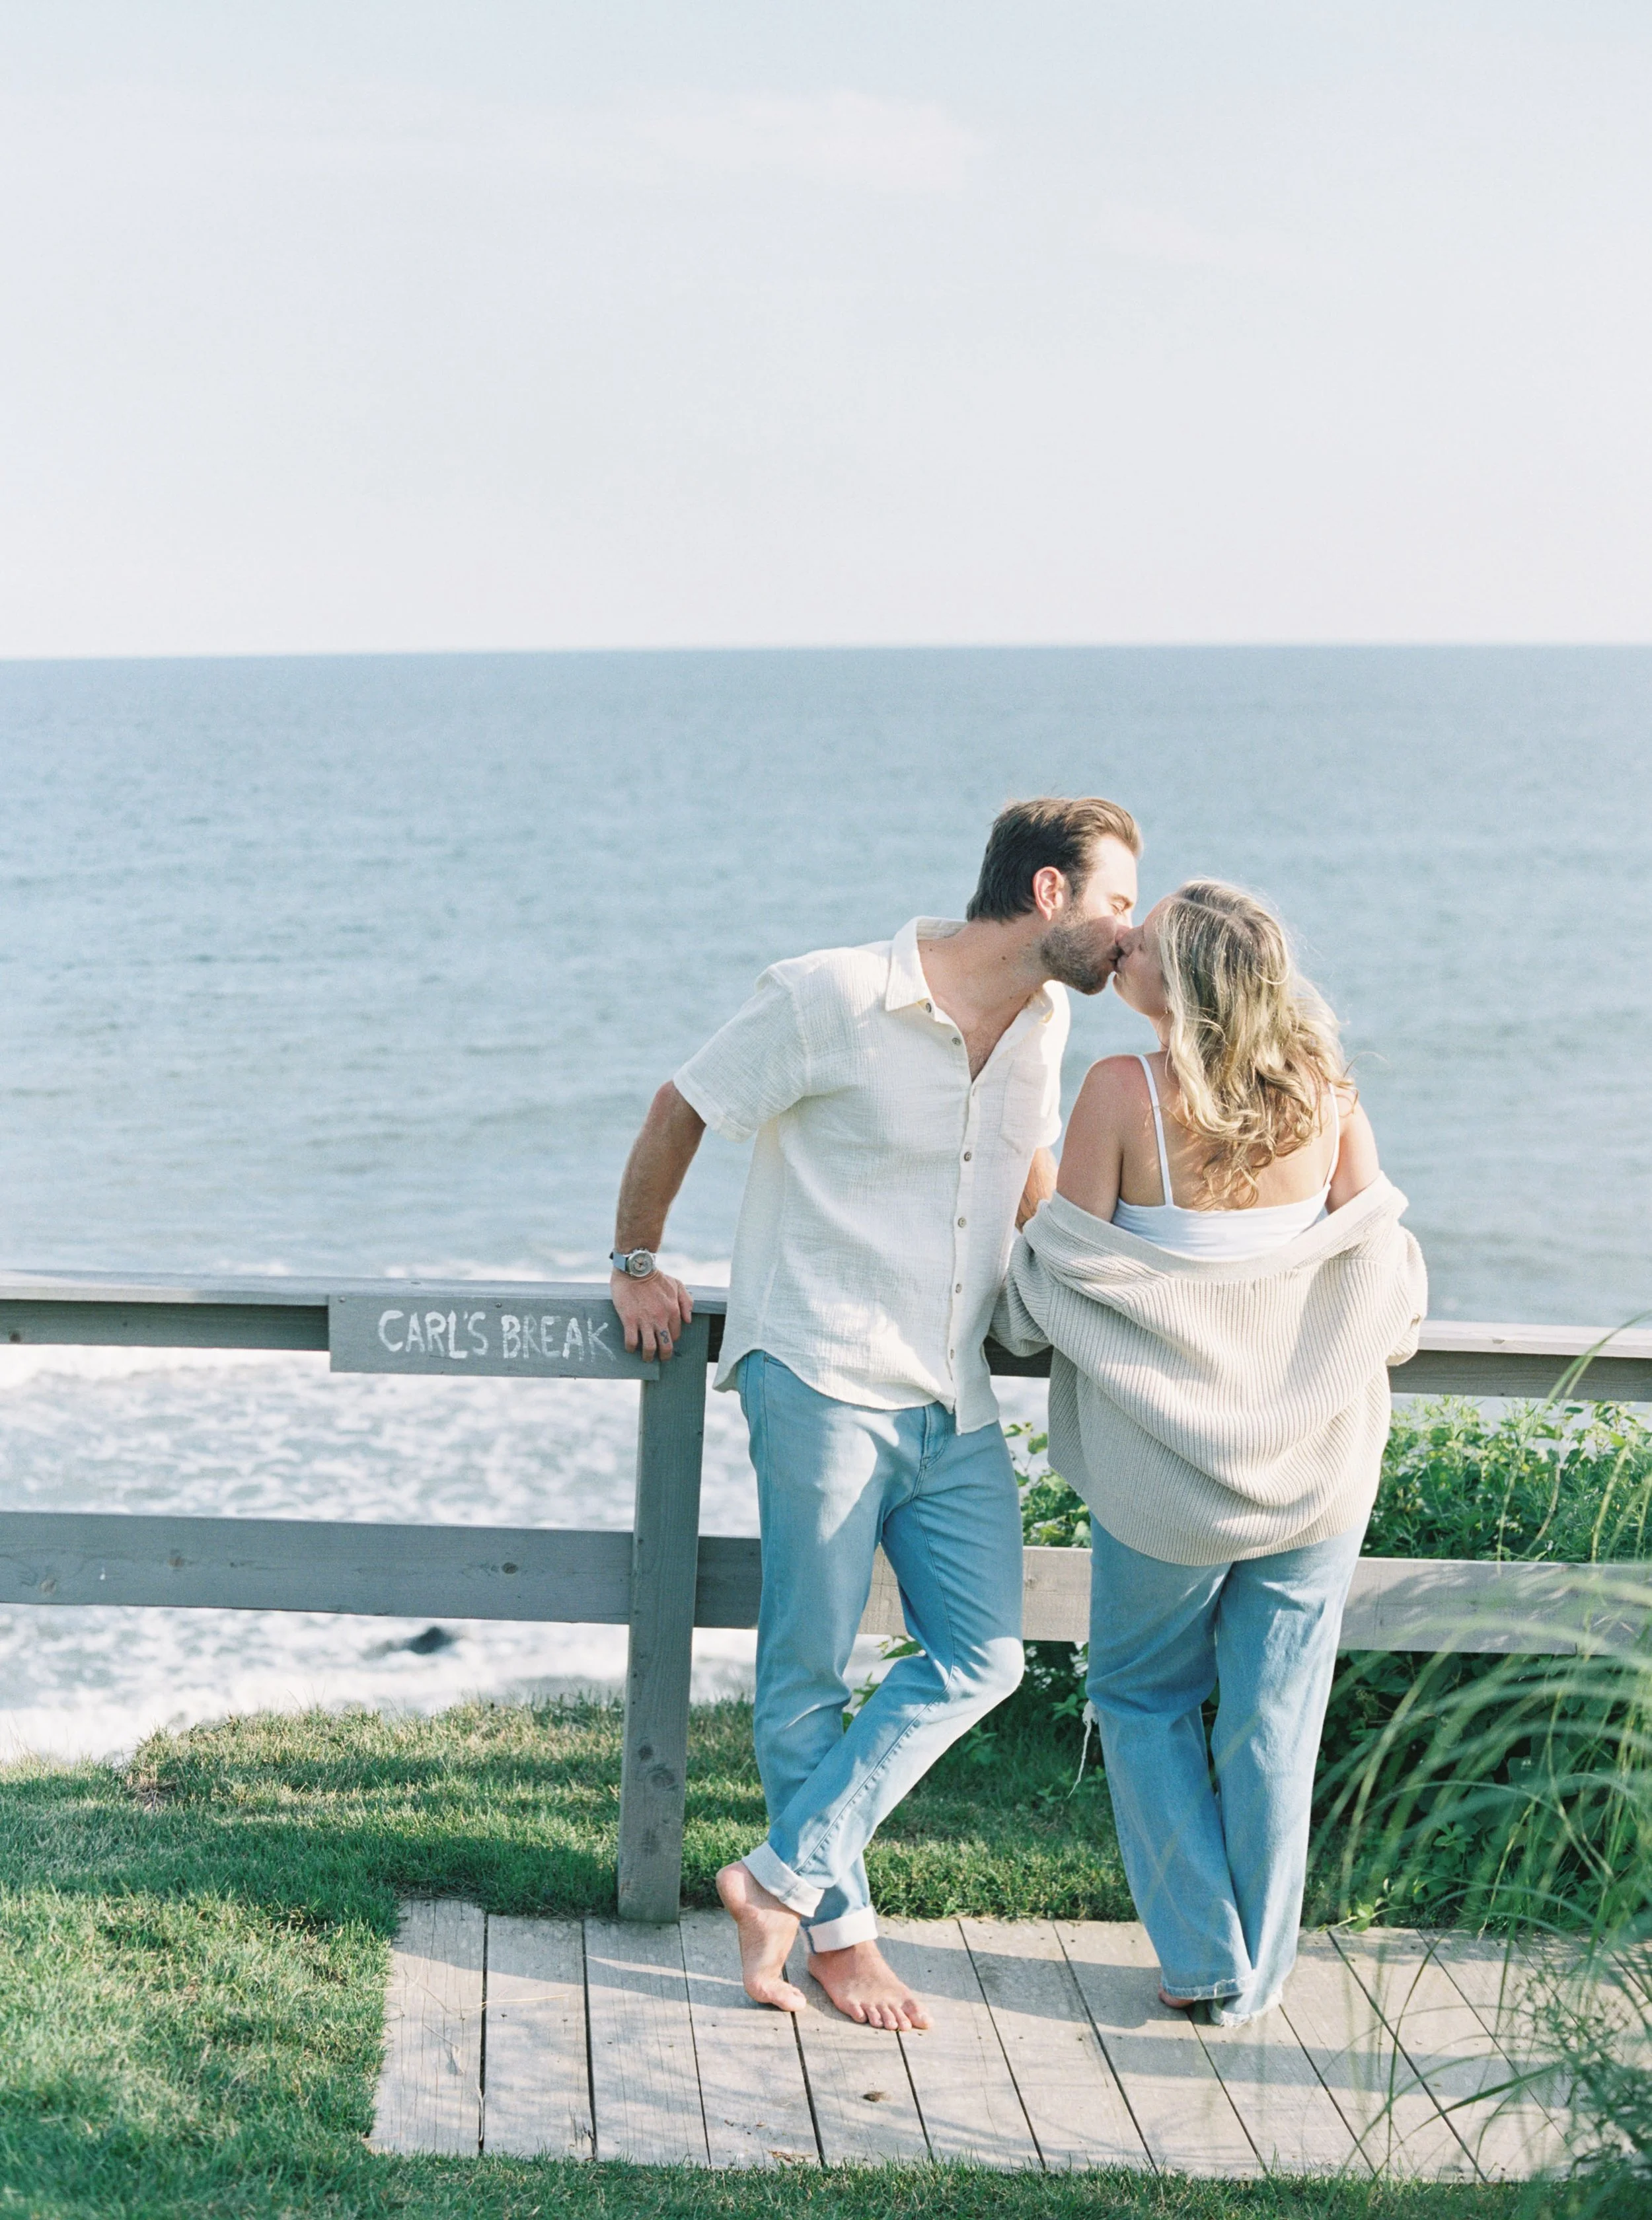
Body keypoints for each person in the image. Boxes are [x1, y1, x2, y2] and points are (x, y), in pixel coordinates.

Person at [606, 796, 1141, 2028]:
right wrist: (638, 1264)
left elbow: (1031, 1179)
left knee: (985, 1657)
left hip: (950, 1389)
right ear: (1049, 894)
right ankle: (838, 1941)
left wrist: (1102, 1291)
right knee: (806, 1673)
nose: (1131, 933)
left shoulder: (1046, 1021)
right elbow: (682, 1105)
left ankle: (777, 1880)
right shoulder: (830, 995)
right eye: (1118, 901)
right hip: (823, 1376)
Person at [993, 879, 1426, 2026]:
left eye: (1140, 945)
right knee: (1277, 1714)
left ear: (1175, 984)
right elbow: (1374, 1255)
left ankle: (1204, 1961)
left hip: (1168, 1481)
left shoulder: (1122, 1090)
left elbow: (1063, 1270)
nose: (1119, 950)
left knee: (1139, 1697)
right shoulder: (1328, 1093)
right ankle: (1261, 1977)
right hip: (1319, 1469)